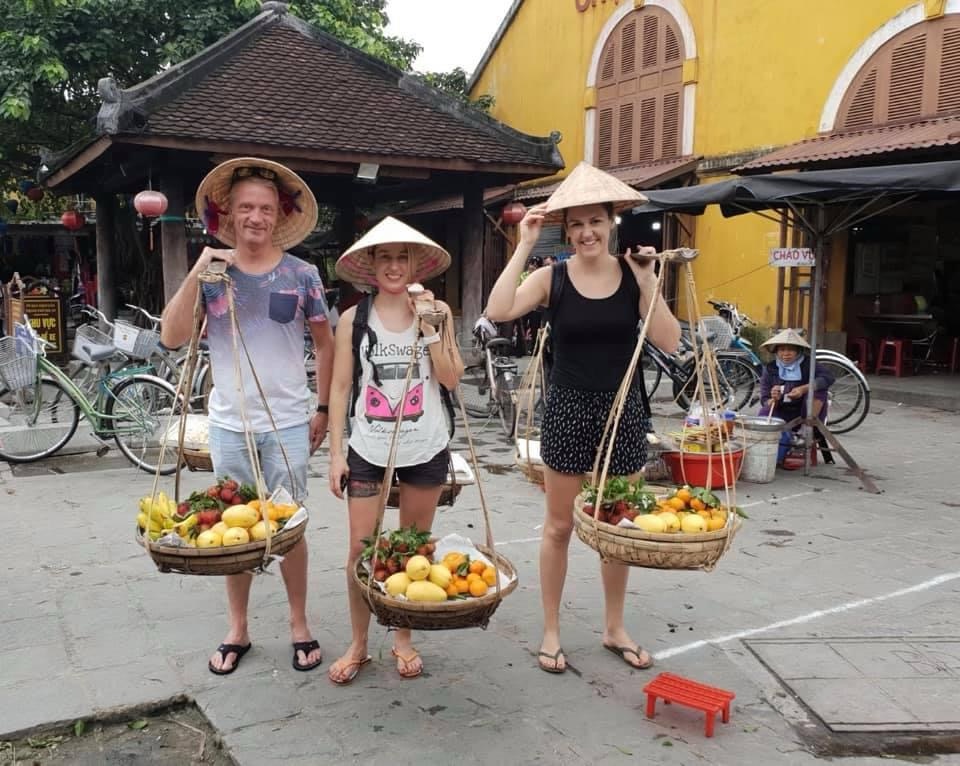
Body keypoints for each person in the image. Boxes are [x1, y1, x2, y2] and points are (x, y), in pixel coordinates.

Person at [485, 161, 681, 674]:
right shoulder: (552, 278)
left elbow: (669, 340)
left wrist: (649, 281)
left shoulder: (634, 274)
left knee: (617, 524)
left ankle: (614, 626)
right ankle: (551, 630)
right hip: (568, 408)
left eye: (595, 221)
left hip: (624, 410)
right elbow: (499, 309)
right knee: (558, 527)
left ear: (612, 221)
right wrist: (525, 243)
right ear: (566, 230)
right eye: (576, 224)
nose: (586, 232)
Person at [160, 157, 334, 676]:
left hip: (288, 424)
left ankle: (299, 623)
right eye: (245, 208)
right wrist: (200, 267)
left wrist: (323, 408)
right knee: (231, 528)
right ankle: (237, 627)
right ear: (228, 214)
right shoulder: (214, 274)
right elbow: (172, 336)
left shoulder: (302, 275)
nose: (255, 217)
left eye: (265, 208)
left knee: (290, 526)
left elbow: (326, 345)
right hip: (230, 425)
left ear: (279, 215)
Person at [326, 217, 464, 685]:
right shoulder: (354, 319)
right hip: (368, 447)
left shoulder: (437, 311)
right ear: (370, 264)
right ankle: (359, 643)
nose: (393, 266)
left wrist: (430, 327)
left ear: (413, 263)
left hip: (426, 445)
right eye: (384, 257)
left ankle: (403, 638)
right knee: (359, 550)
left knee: (412, 546)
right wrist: (336, 454)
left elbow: (450, 378)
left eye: (401, 257)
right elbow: (340, 387)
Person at [757, 328, 834, 425]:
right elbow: (764, 399)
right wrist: (774, 400)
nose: (786, 354)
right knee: (763, 415)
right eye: (782, 350)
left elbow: (828, 377)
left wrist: (803, 389)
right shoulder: (770, 368)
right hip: (781, 410)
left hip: (805, 410)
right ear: (776, 351)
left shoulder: (808, 364)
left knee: (818, 390)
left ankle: (808, 428)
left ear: (798, 351)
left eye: (791, 349)